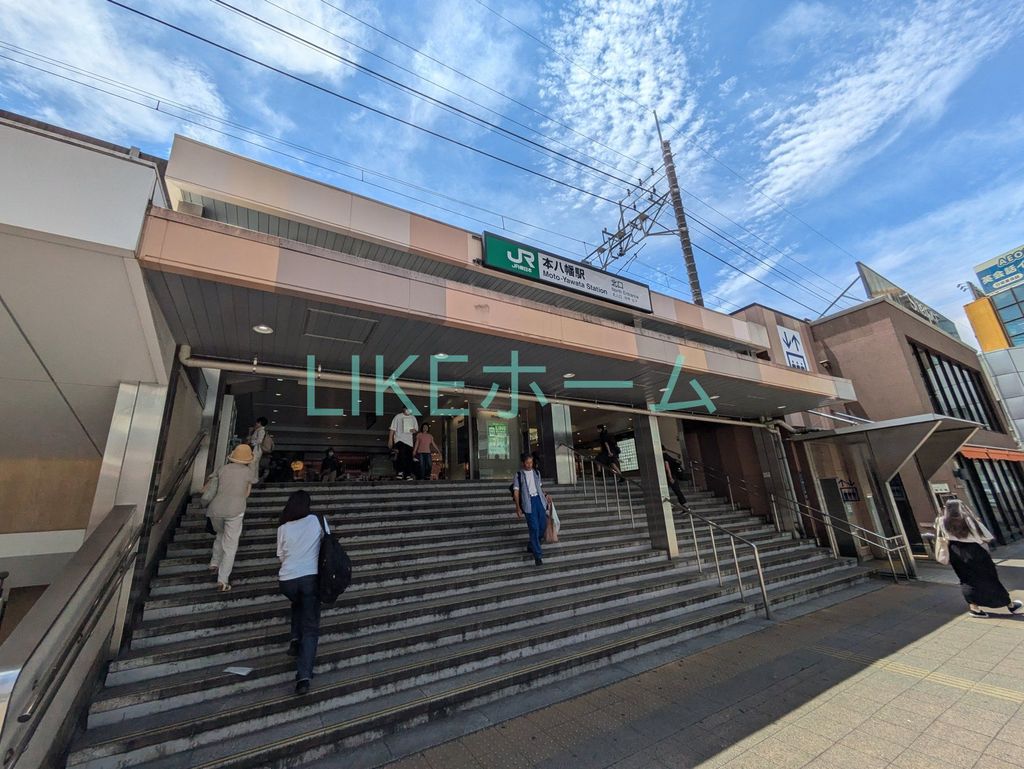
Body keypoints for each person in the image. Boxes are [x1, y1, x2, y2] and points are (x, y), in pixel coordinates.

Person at [935, 498, 1022, 618]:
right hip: (975, 551)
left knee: (966, 580)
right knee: (989, 578)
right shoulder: (969, 520)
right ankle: (1010, 604)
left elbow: (941, 537)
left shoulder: (940, 521)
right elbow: (986, 537)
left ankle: (974, 608)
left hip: (955, 551)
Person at [277, 490, 326, 695]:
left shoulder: (283, 527)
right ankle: (304, 675)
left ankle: (295, 639)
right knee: (311, 628)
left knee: (297, 602)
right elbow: (328, 542)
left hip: (287, 579)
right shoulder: (316, 521)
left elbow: (281, 555)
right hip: (310, 577)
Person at [203, 443, 253, 591]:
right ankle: (223, 580)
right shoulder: (248, 473)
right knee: (230, 546)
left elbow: (211, 487)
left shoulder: (222, 469)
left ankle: (214, 563)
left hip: (216, 509)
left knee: (220, 534)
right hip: (235, 510)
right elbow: (247, 493)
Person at [512, 453, 549, 566]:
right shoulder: (518, 475)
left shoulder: (537, 473)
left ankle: (531, 545)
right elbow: (516, 492)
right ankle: (538, 556)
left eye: (531, 462)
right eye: (527, 463)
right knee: (534, 528)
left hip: (539, 501)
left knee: (543, 526)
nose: (529, 465)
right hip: (529, 503)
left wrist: (546, 495)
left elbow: (540, 487)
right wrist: (518, 507)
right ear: (523, 463)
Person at [388, 407, 418, 480]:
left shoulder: (413, 417)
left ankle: (408, 474)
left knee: (408, 458)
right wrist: (390, 440)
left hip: (409, 441)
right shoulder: (398, 416)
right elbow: (392, 429)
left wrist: (413, 430)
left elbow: (416, 429)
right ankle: (400, 471)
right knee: (401, 453)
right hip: (399, 439)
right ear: (403, 409)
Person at [248, 416, 269, 485]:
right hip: (258, 450)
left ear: (260, 423)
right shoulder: (260, 430)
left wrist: (252, 443)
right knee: (255, 464)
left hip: (256, 449)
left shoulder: (261, 430)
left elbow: (259, 441)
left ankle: (251, 479)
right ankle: (254, 479)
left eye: (257, 422)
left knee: (252, 463)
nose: (256, 423)